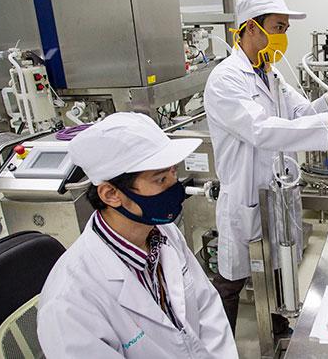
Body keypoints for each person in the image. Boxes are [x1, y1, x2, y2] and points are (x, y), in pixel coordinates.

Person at [204, 0, 328, 335]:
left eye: (285, 28)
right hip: (246, 194)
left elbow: (298, 112)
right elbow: (262, 130)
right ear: (251, 28)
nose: (283, 36)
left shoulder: (270, 73)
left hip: (278, 190)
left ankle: (279, 325)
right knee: (233, 279)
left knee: (280, 265)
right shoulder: (226, 79)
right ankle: (216, 344)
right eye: (278, 27)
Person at [37, 112, 237, 358]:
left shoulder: (163, 232)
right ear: (111, 194)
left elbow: (207, 309)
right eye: (161, 179)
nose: (174, 186)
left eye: (173, 172)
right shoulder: (70, 301)